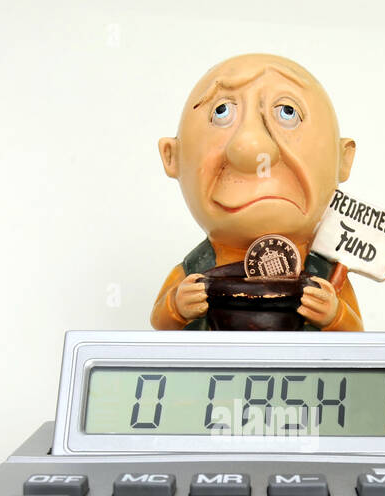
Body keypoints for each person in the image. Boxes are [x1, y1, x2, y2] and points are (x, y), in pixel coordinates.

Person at [151, 54, 363, 331]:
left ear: (343, 159)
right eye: (221, 112)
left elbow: (356, 335)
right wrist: (176, 308)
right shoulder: (195, 269)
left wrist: (335, 316)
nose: (251, 147)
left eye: (287, 111)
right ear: (171, 157)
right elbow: (159, 322)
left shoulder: (328, 274)